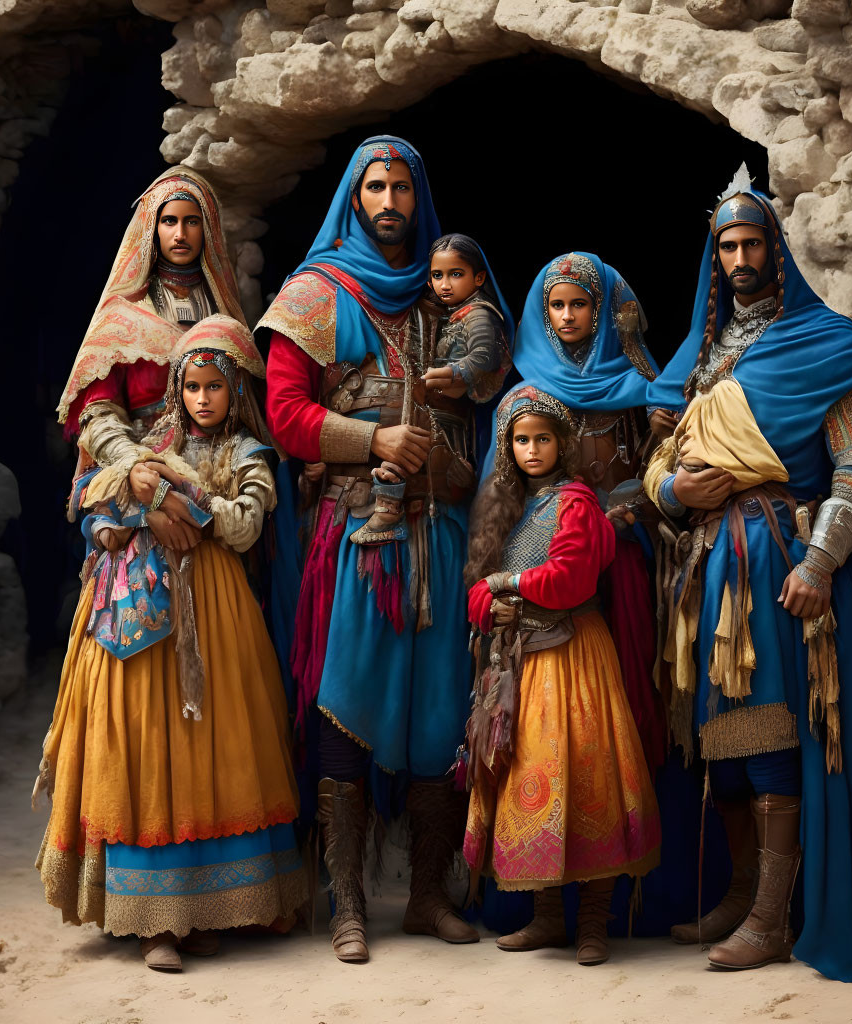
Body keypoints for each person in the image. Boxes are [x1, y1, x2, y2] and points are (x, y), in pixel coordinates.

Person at [643, 167, 852, 979]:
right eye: (725, 245)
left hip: (774, 557)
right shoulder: (701, 357)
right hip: (702, 561)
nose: (738, 257)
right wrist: (670, 489)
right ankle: (740, 894)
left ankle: (771, 919)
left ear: (777, 249)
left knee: (767, 731)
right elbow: (659, 461)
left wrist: (823, 561)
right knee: (718, 739)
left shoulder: (823, 344)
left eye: (751, 241)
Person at [258, 137, 511, 963]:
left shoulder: (453, 292)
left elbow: (495, 399)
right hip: (356, 529)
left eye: (404, 183)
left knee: (441, 714)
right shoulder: (313, 292)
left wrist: (451, 462)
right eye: (376, 184)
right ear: (354, 196)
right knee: (347, 704)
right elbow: (285, 415)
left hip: (439, 529)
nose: (391, 197)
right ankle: (348, 901)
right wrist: (374, 438)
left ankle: (430, 894)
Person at [34, 315, 305, 971]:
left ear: (236, 392)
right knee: (145, 750)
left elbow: (245, 524)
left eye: (215, 388)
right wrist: (144, 508)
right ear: (177, 390)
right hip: (139, 618)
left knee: (215, 750)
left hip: (215, 615)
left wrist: (193, 502)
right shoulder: (148, 443)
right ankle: (155, 920)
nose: (203, 399)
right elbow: (90, 499)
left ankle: (203, 909)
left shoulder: (249, 454)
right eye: (192, 388)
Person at [461, 385, 661, 966]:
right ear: (508, 447)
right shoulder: (502, 508)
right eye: (521, 441)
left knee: (588, 776)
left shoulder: (576, 502)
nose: (531, 450)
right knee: (532, 782)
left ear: (562, 444)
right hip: (519, 666)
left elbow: (571, 579)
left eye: (542, 439)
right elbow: (473, 592)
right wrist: (488, 603)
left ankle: (594, 923)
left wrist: (507, 587)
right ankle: (548, 918)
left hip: (574, 659)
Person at [502, 252, 665, 774]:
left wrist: (663, 437)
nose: (568, 315)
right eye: (556, 305)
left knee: (632, 675)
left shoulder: (641, 385)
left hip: (627, 557)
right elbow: (504, 488)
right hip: (552, 566)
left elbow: (662, 467)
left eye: (580, 304)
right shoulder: (530, 389)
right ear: (542, 312)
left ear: (602, 311)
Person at [56, 166, 246, 554]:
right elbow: (98, 414)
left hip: (219, 489)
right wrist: (139, 475)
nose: (180, 234)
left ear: (207, 228)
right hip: (137, 490)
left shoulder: (226, 314)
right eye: (169, 221)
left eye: (192, 221)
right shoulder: (120, 318)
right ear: (151, 228)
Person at [350, 232, 511, 545]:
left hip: (451, 412)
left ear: (479, 278)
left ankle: (390, 508)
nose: (445, 284)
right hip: (439, 403)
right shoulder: (454, 312)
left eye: (456, 274)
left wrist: (452, 373)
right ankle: (389, 503)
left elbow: (484, 355)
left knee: (416, 448)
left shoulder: (478, 314)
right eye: (437, 275)